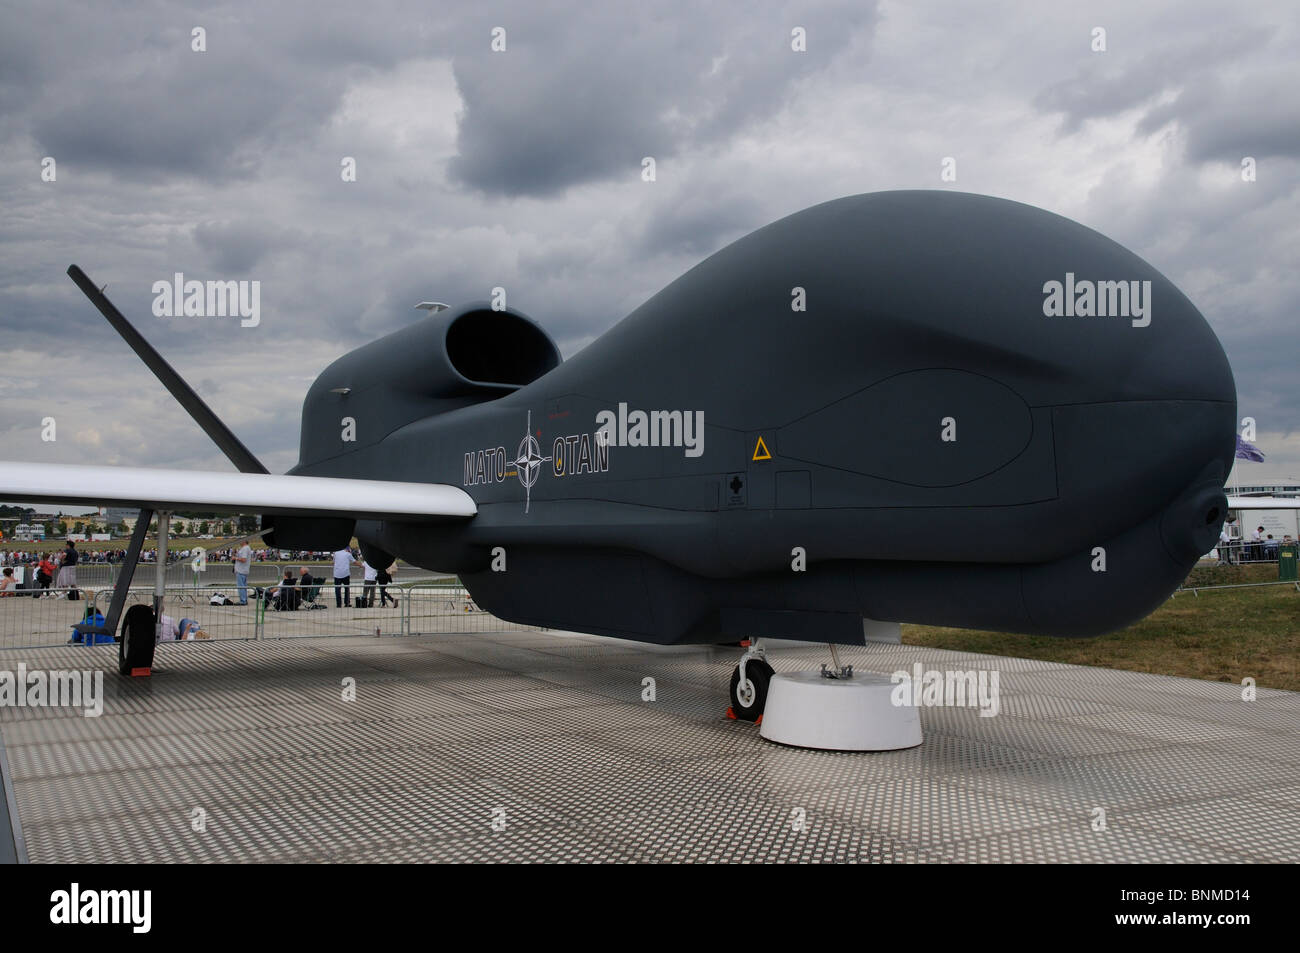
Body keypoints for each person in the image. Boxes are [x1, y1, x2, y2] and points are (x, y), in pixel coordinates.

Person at [233, 540, 252, 605]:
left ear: (244, 541)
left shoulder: (245, 548)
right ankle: (244, 599)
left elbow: (244, 559)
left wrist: (235, 558)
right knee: (243, 586)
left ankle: (243, 600)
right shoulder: (245, 548)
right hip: (242, 570)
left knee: (241, 586)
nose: (239, 542)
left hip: (241, 570)